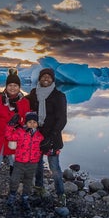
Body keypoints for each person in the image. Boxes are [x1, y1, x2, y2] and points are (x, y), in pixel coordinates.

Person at [0, 68, 30, 201]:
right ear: (6, 86)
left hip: (14, 138)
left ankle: (13, 188)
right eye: (10, 85)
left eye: (15, 85)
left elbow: (27, 120)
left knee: (14, 162)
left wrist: (21, 125)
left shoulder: (24, 102)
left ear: (19, 87)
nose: (13, 88)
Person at [26, 68, 67, 206]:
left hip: (52, 138)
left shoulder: (59, 96)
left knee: (54, 167)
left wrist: (51, 137)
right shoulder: (33, 93)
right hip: (36, 135)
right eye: (43, 76)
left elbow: (62, 119)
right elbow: (21, 103)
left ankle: (61, 194)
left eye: (49, 77)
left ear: (53, 79)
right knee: (37, 164)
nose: (46, 79)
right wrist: (4, 96)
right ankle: (39, 188)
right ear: (39, 78)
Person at [5, 112, 44, 209]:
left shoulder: (40, 136)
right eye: (29, 122)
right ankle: (12, 195)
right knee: (14, 179)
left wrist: (54, 150)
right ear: (25, 123)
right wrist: (10, 125)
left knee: (28, 181)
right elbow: (9, 136)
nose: (32, 124)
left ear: (37, 123)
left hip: (33, 163)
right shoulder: (20, 132)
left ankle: (25, 197)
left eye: (34, 122)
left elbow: (44, 148)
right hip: (19, 162)